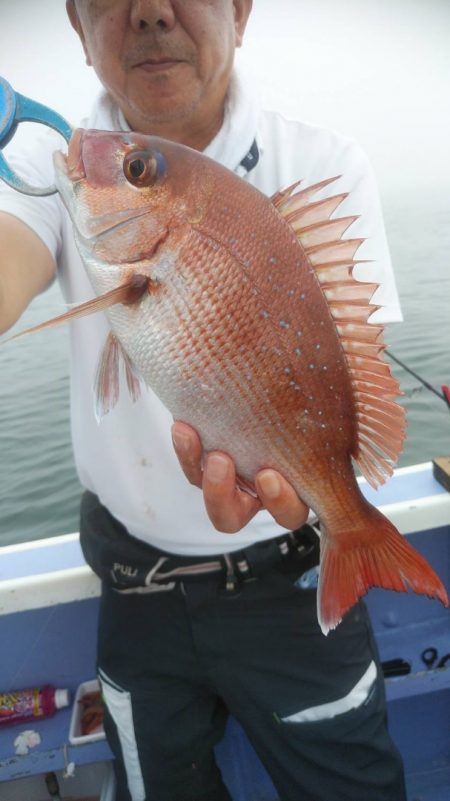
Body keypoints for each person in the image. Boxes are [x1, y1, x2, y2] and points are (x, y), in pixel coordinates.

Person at [0, 2, 407, 800]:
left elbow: (348, 373)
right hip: (137, 591)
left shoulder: (324, 162)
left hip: (292, 582)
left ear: (242, 11)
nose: (150, 12)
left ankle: (352, 541)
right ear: (78, 29)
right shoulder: (59, 162)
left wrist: (325, 499)